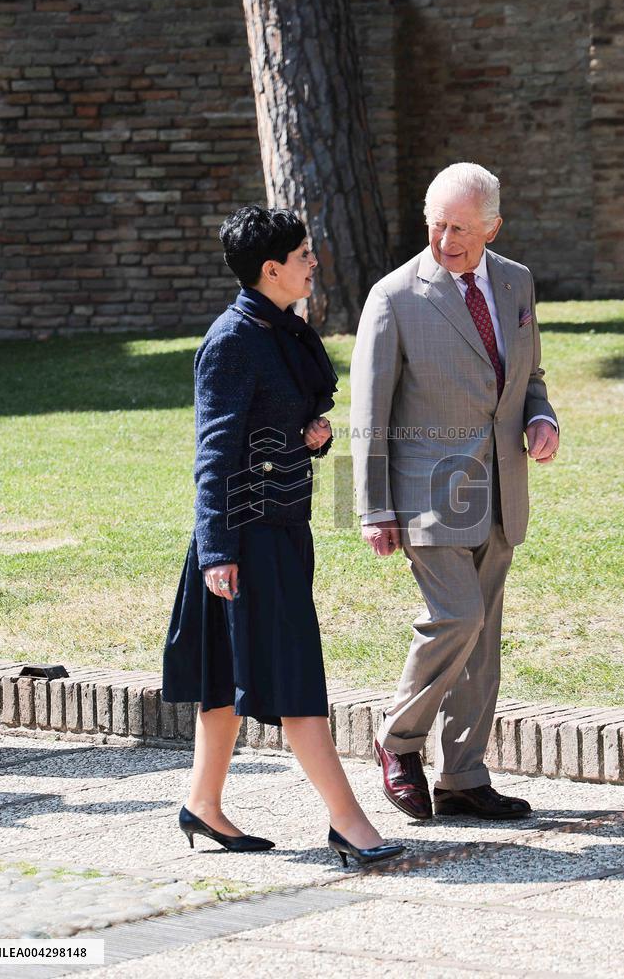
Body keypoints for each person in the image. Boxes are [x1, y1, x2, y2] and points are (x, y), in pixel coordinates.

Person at [163, 205, 403, 867]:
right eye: (303, 254)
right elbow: (213, 453)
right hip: (244, 538)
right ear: (271, 269)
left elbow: (265, 429)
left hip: (282, 527)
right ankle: (348, 822)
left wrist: (307, 437)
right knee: (296, 677)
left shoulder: (281, 328)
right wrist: (216, 551)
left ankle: (203, 807)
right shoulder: (233, 341)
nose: (313, 261)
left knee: (224, 680)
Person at [350, 163, 559, 821]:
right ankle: (396, 739)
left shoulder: (517, 282)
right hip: (427, 493)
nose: (445, 239)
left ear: (493, 226)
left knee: (484, 642)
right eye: (436, 225)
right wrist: (373, 506)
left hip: (501, 488)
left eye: (461, 228)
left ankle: (463, 777)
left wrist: (541, 416)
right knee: (458, 618)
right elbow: (370, 410)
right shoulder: (394, 296)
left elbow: (530, 375)